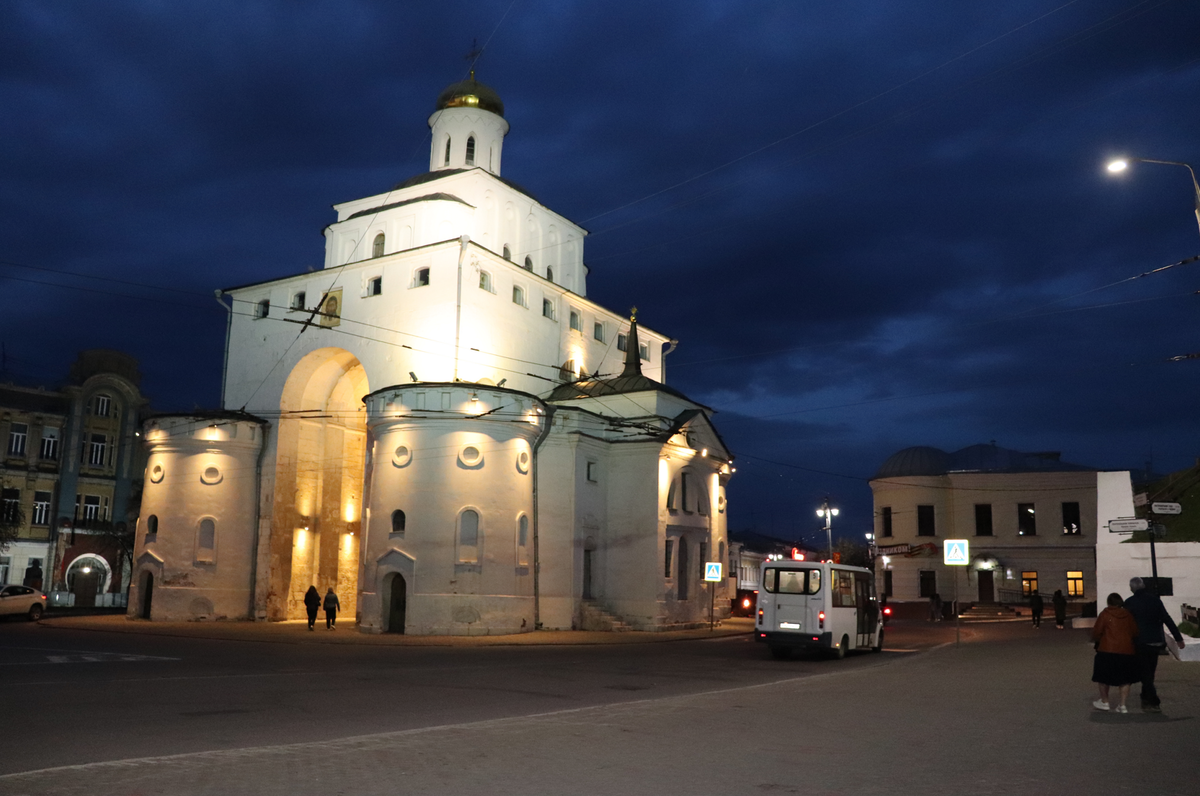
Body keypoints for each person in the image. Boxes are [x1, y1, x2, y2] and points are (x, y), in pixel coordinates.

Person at [1125, 577, 1186, 712]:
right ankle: (1145, 695)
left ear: (1132, 588)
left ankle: (1153, 700)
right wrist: (1178, 638)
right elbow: (1166, 619)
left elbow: (1125, 625)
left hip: (1139, 641)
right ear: (1143, 586)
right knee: (1150, 669)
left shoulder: (1129, 603)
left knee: (1144, 670)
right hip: (1155, 640)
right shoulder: (1155, 600)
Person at [1090, 592, 1139, 713]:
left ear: (1108, 602)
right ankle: (1122, 705)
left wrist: (1099, 640)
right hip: (1126, 651)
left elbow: (1097, 632)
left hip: (1107, 650)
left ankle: (1105, 702)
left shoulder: (1105, 614)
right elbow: (1135, 632)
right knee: (1125, 679)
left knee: (1103, 677)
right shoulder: (1128, 615)